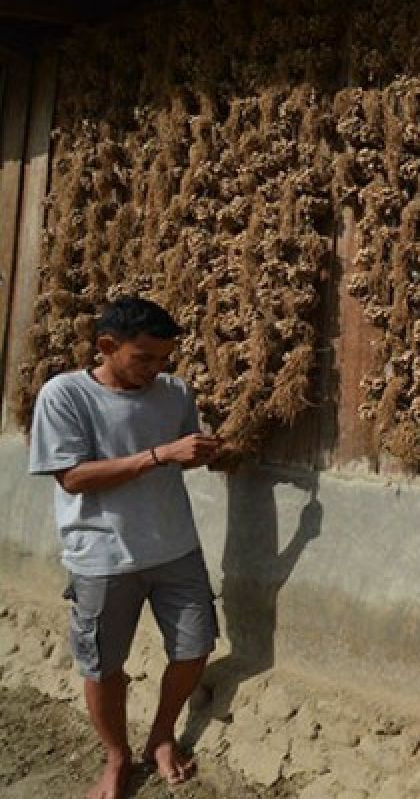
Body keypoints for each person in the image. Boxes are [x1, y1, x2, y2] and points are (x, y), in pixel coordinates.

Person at [28, 295, 225, 799]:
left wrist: (202, 451)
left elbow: (179, 457)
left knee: (195, 646)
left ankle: (160, 735)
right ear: (107, 346)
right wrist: (161, 454)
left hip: (176, 549)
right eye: (144, 358)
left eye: (163, 359)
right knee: (103, 666)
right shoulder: (65, 395)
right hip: (101, 557)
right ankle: (116, 758)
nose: (156, 369)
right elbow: (72, 477)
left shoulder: (174, 392)